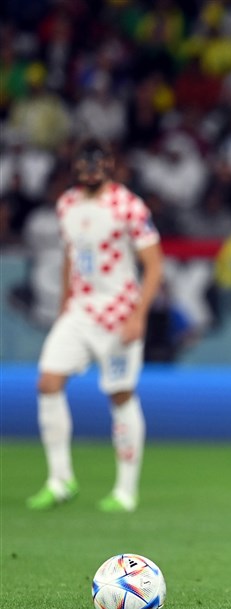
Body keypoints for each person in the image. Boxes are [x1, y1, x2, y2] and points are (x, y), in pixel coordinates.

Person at [26, 139, 164, 513]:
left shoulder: (128, 206)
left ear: (108, 166)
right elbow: (71, 256)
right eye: (83, 166)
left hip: (119, 312)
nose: (90, 172)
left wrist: (138, 314)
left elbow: (154, 263)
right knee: (48, 382)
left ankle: (125, 490)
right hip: (80, 310)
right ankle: (59, 479)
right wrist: (64, 306)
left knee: (119, 394)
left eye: (96, 165)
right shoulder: (67, 204)